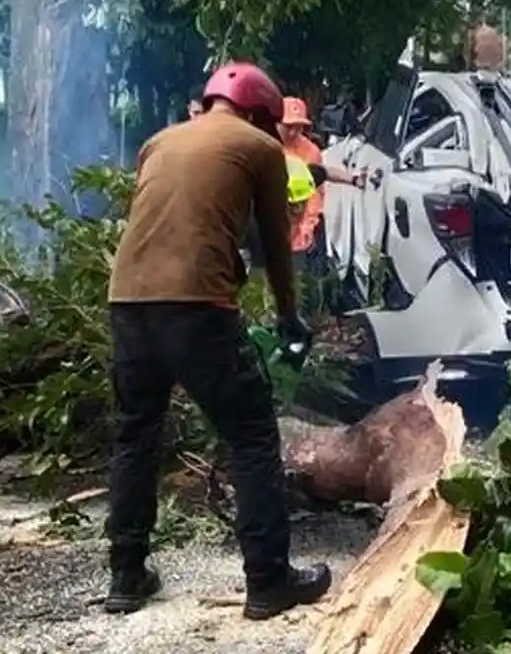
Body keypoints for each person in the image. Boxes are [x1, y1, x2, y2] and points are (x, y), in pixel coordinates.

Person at [104, 62, 329, 619]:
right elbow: (276, 243)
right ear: (260, 113)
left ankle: (126, 576)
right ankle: (268, 580)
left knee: (136, 436)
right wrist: (288, 316)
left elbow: (171, 220)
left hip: (127, 301)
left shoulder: (157, 142)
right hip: (196, 306)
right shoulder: (259, 147)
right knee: (251, 435)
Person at [276, 97, 363, 314]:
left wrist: (309, 224)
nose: (294, 132)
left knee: (308, 283)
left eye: (299, 127)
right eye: (288, 126)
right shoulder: (263, 147)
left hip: (306, 225)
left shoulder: (310, 151)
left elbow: (319, 181)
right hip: (275, 225)